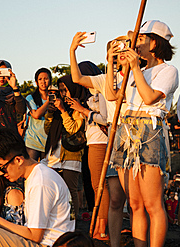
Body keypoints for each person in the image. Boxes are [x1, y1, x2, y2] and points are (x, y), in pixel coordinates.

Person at [105, 20, 178, 247]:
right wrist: (111, 63)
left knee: (152, 203)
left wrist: (135, 68)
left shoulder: (168, 71)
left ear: (155, 43)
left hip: (150, 132)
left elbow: (149, 98)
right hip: (127, 131)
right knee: (135, 204)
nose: (135, 43)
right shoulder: (135, 71)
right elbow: (111, 96)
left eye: (141, 38)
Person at [70, 32, 130, 247]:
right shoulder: (103, 79)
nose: (118, 53)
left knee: (127, 194)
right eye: (113, 50)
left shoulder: (131, 78)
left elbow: (110, 100)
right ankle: (108, 234)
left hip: (122, 138)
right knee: (111, 193)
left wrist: (84, 112)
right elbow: (77, 78)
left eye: (122, 48)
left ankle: (110, 229)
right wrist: (73, 49)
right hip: (113, 139)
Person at [42, 76, 89, 220]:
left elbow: (73, 128)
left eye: (66, 90)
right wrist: (50, 112)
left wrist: (63, 111)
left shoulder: (79, 107)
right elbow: (47, 129)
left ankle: (72, 220)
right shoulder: (58, 107)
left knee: (71, 189)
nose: (64, 94)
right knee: (51, 186)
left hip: (72, 153)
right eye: (61, 91)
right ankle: (55, 218)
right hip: (54, 152)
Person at [24, 68, 52, 161]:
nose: (43, 82)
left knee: (46, 172)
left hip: (48, 142)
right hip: (32, 142)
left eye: (46, 79)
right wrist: (48, 101)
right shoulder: (30, 98)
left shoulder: (56, 98)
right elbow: (36, 115)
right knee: (30, 171)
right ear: (36, 82)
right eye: (40, 79)